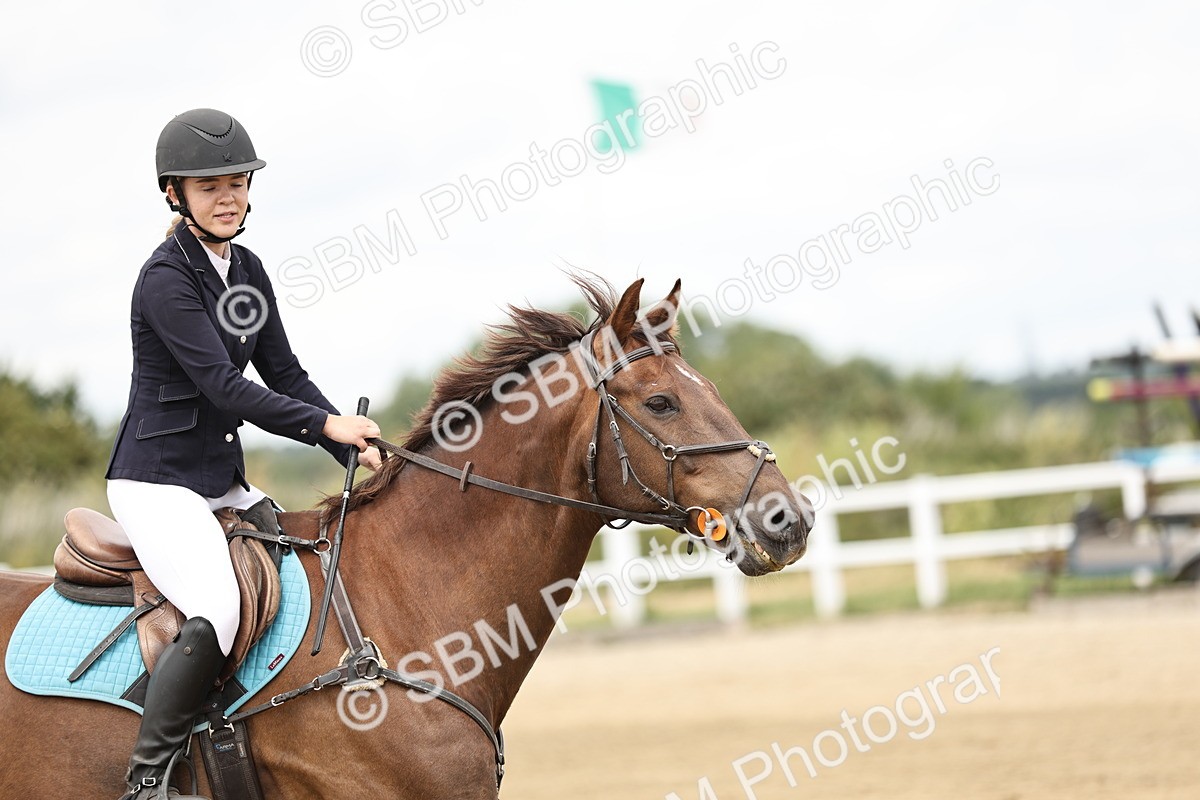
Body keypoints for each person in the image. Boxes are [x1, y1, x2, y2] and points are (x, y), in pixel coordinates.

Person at [104, 108, 382, 800]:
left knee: (299, 576)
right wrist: (324, 425)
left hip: (218, 481)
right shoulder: (166, 280)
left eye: (237, 183)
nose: (228, 198)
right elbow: (225, 388)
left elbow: (283, 374)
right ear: (175, 194)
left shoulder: (248, 271)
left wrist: (344, 438)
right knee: (221, 608)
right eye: (209, 187)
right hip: (158, 483)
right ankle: (147, 779)